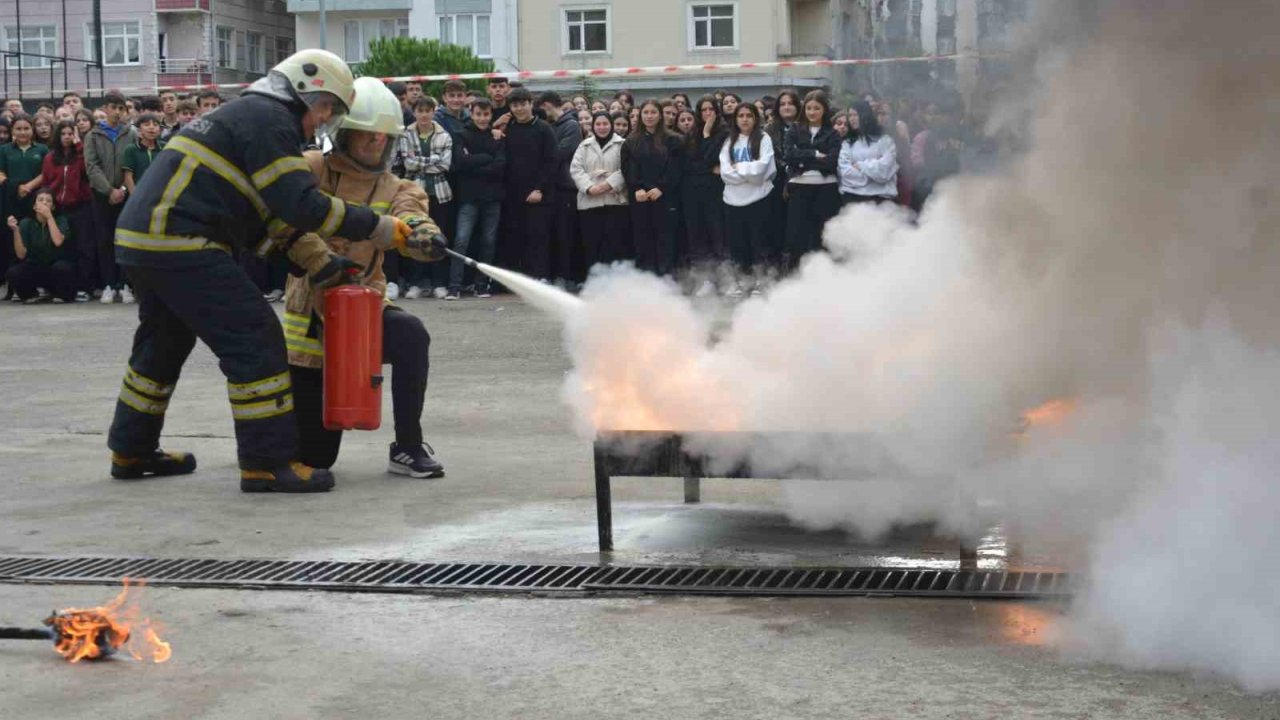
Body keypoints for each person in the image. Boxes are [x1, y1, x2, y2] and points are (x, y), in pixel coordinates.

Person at [105, 48, 422, 494]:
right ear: (307, 89)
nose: (323, 119)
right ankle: (267, 463)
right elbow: (303, 205)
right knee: (256, 341)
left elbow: (262, 215)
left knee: (162, 344)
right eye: (327, 107)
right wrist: (380, 226)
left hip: (143, 242)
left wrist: (320, 262)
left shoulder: (245, 116)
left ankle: (131, 449)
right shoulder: (271, 120)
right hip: (183, 243)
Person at [283, 77, 445, 479]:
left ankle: (407, 446)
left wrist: (421, 235)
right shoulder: (311, 168)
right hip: (311, 315)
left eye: (383, 139)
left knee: (411, 334)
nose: (376, 145)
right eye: (367, 137)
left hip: (364, 307)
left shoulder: (396, 185)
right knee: (317, 459)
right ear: (344, 135)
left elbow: (410, 213)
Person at [395, 96, 454, 299]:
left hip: (439, 194)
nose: (424, 114)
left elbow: (445, 165)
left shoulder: (444, 134)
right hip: (414, 194)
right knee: (415, 237)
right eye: (420, 110)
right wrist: (432, 160)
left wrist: (420, 161)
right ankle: (416, 283)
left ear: (433, 111)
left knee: (438, 238)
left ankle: (439, 283)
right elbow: (408, 164)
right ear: (415, 112)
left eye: (428, 110)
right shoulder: (406, 134)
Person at [448, 98, 505, 298]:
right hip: (468, 198)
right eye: (478, 114)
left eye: (486, 114)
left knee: (488, 242)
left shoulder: (497, 137)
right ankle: (454, 286)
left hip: (492, 198)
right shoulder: (461, 135)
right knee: (461, 240)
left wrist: (474, 161)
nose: (482, 118)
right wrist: (486, 158)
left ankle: (481, 285)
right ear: (471, 113)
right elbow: (460, 161)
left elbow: (500, 166)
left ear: (491, 115)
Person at [84, 92, 137, 304]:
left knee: (124, 240)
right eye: (113, 107)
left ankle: (125, 284)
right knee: (104, 240)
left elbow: (131, 165)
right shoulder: (93, 135)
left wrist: (123, 189)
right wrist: (109, 190)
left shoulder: (131, 133)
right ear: (105, 108)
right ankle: (108, 284)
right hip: (101, 196)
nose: (117, 112)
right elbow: (92, 166)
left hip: (125, 195)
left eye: (121, 108)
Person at [500, 87, 556, 282]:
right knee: (516, 237)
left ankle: (540, 276)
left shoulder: (544, 129)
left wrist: (539, 189)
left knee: (538, 238)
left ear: (531, 104)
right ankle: (520, 279)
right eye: (515, 105)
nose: (520, 108)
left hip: (539, 195)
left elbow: (551, 162)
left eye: (523, 104)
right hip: (513, 195)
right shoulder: (509, 129)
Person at [719, 103, 775, 296]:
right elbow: (725, 173)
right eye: (740, 115)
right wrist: (747, 172)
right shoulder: (729, 141)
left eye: (748, 115)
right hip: (733, 201)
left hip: (759, 198)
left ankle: (761, 281)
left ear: (755, 118)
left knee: (758, 242)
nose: (744, 119)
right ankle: (742, 281)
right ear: (735, 119)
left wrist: (739, 168)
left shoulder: (764, 138)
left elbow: (762, 169)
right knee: (738, 244)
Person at [621, 100, 682, 276]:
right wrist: (636, 188)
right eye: (645, 112)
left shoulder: (673, 139)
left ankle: (667, 277)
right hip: (640, 197)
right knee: (642, 238)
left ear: (660, 115)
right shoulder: (631, 141)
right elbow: (628, 167)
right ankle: (646, 279)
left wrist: (662, 187)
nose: (649, 116)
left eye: (653, 112)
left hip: (665, 196)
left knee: (666, 239)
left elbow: (676, 167)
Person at [782, 90, 842, 269]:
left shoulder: (832, 133)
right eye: (808, 108)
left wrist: (803, 161)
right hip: (800, 188)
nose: (812, 112)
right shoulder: (794, 129)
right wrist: (815, 154)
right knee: (796, 236)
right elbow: (789, 155)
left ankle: (822, 275)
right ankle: (794, 277)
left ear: (824, 110)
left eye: (817, 108)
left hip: (826, 189)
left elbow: (832, 161)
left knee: (821, 236)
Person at [571, 111, 629, 271]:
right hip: (589, 202)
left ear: (611, 125)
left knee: (615, 243)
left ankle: (616, 282)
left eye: (605, 124)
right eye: (598, 124)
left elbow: (626, 168)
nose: (602, 127)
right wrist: (590, 188)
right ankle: (594, 282)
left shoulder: (623, 144)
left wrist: (607, 185)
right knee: (591, 244)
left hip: (615, 201)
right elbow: (576, 169)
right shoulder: (584, 145)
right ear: (593, 126)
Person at [41, 119, 93, 299]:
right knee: (62, 247)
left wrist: (79, 145)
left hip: (81, 206)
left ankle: (84, 287)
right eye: (63, 134)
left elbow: (89, 171)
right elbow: (47, 182)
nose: (67, 137)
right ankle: (58, 287)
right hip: (59, 208)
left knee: (84, 247)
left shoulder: (81, 155)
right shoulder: (50, 157)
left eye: (70, 133)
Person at [683, 96, 728, 294]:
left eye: (711, 109)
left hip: (715, 192)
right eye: (703, 110)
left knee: (718, 234)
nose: (707, 113)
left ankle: (723, 278)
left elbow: (713, 158)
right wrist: (707, 167)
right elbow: (689, 164)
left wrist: (708, 133)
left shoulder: (724, 133)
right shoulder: (691, 135)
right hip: (694, 192)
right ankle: (704, 279)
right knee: (698, 237)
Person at [539, 91, 583, 290]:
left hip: (566, 187)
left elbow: (560, 153)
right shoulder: (549, 126)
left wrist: (543, 153)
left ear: (548, 105)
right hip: (550, 188)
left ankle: (566, 277)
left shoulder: (571, 126)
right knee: (551, 234)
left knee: (566, 235)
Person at [5, 189, 76, 303]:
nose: (44, 203)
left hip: (56, 266)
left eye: (48, 201)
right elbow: (21, 255)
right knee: (13, 273)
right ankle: (31, 294)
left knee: (62, 268)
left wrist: (49, 217)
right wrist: (15, 231)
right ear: (34, 206)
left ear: (53, 207)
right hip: (36, 266)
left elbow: (58, 241)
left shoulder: (60, 220)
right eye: (41, 200)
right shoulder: (26, 223)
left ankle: (61, 294)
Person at [838, 100, 900, 206]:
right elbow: (845, 173)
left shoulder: (885, 140)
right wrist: (873, 175)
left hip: (881, 199)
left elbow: (884, 171)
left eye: (855, 115)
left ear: (865, 115)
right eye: (850, 115)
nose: (852, 119)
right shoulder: (847, 143)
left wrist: (860, 165)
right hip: (853, 198)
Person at [121, 113, 165, 197]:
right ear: (139, 130)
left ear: (159, 130)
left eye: (155, 125)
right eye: (147, 124)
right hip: (139, 194)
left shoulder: (165, 148)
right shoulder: (131, 149)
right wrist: (134, 196)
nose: (152, 127)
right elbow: (128, 176)